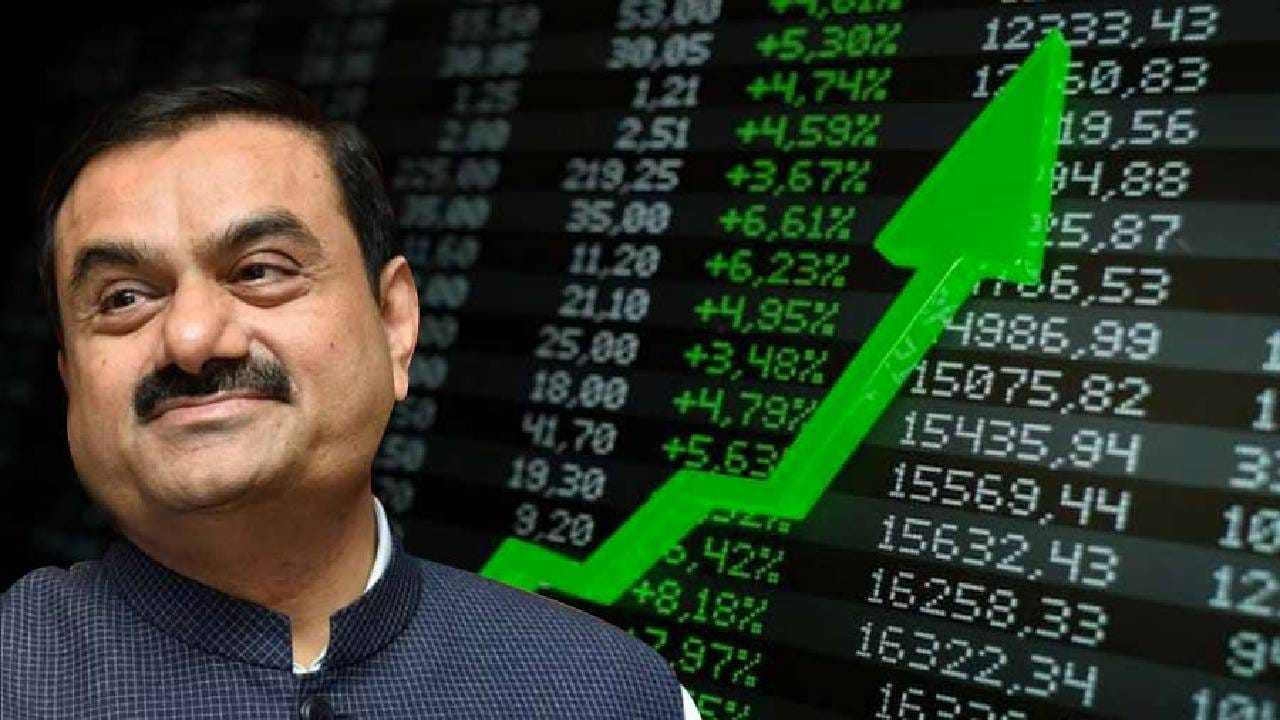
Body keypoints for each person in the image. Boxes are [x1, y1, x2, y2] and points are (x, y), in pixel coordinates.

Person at [0, 78, 702, 719]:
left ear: (395, 323)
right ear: (71, 378)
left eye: (259, 271)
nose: (191, 338)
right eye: (124, 298)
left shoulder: (615, 692)